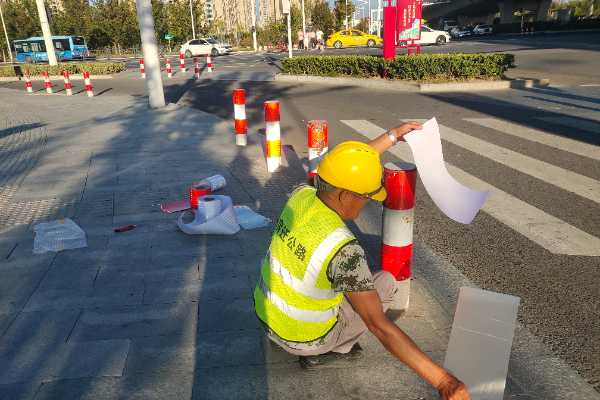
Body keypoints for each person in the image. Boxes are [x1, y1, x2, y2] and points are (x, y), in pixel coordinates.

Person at [253, 122, 471, 400]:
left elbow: (344, 168)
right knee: (385, 283)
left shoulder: (302, 195)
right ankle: (330, 349)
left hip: (268, 317)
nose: (368, 202)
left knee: (329, 282)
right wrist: (444, 382)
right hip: (304, 339)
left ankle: (302, 339)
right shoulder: (342, 248)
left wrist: (393, 136)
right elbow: (378, 325)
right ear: (345, 195)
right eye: (367, 197)